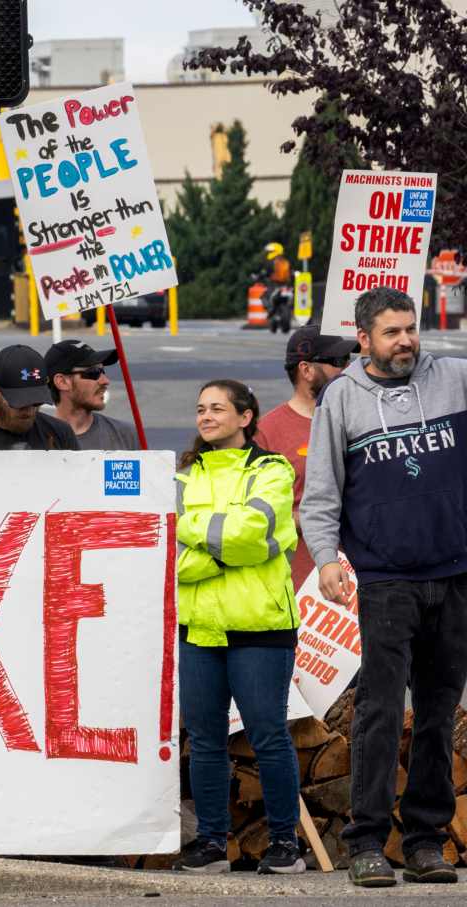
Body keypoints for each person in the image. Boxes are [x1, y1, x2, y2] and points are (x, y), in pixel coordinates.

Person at [301, 287, 467, 887]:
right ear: (364, 337)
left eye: (410, 329)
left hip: (454, 574)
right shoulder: (342, 400)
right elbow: (320, 495)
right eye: (392, 332)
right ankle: (366, 841)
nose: (405, 341)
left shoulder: (454, 379)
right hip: (385, 579)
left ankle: (424, 841)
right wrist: (326, 559)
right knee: (378, 709)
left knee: (438, 712)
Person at [174, 379, 303, 875]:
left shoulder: (273, 470)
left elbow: (258, 535)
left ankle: (285, 844)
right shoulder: (184, 477)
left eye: (217, 408)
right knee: (205, 740)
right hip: (200, 628)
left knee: (268, 735)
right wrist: (225, 552)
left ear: (246, 417)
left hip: (259, 627)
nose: (205, 416)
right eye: (200, 408)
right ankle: (210, 843)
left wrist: (201, 539)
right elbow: (175, 554)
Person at [254, 325, 357, 590]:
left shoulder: (362, 420)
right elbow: (254, 514)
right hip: (299, 582)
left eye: (349, 360)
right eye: (337, 362)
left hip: (366, 576)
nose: (347, 369)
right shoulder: (267, 433)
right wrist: (319, 518)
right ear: (306, 370)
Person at [44, 339, 139, 450]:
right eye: (93, 372)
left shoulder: (126, 435)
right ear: (62, 382)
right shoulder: (38, 442)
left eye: (103, 371)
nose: (105, 381)